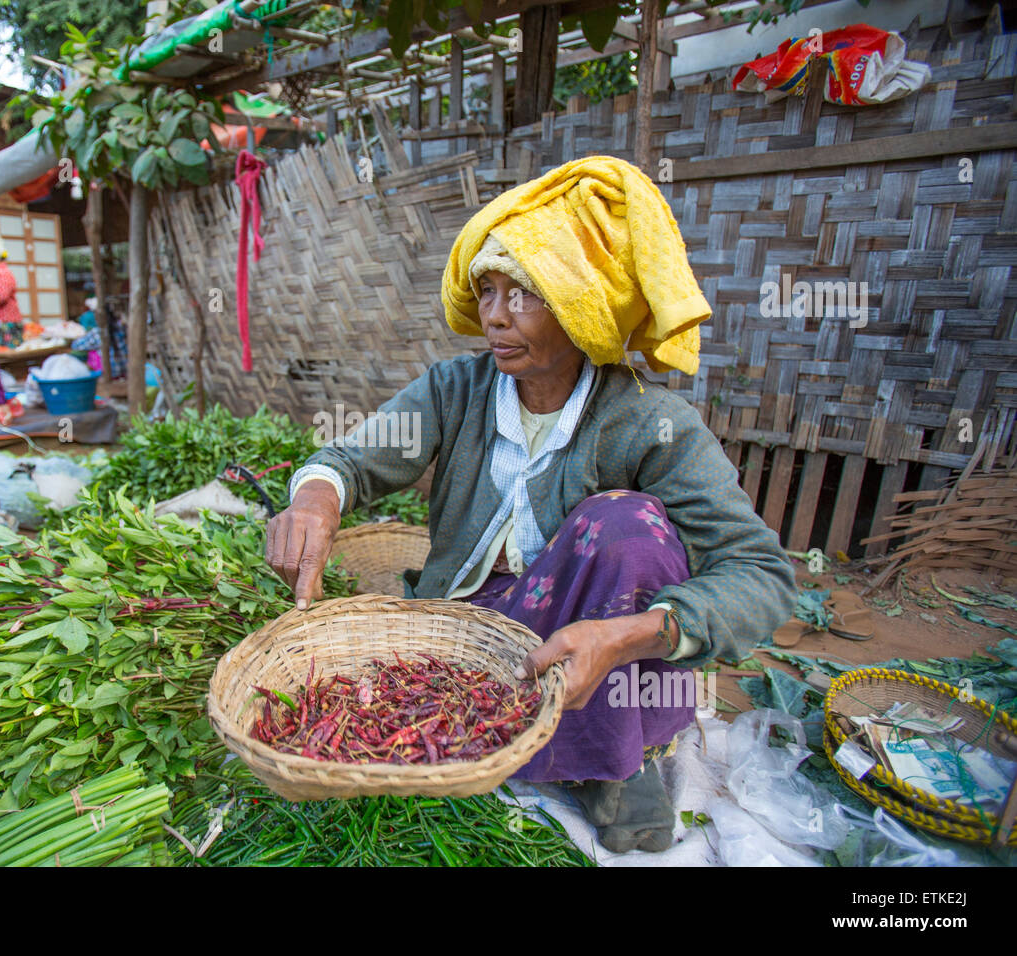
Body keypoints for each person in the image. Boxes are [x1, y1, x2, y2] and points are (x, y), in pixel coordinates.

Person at [265, 156, 796, 853]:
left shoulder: (649, 421)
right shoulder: (455, 390)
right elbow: (349, 460)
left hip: (591, 653)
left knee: (626, 527)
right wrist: (315, 498)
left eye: (523, 295)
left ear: (583, 306)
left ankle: (616, 756)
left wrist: (633, 635)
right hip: (470, 631)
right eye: (486, 291)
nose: (493, 317)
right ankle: (558, 745)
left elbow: (761, 575)